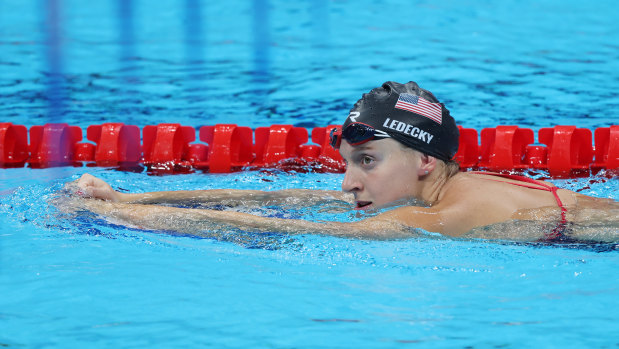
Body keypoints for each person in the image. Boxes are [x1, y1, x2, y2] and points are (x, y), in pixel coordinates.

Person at [60, 81, 619, 242]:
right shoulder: (439, 187)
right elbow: (285, 200)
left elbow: (282, 230)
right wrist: (131, 195)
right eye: (349, 161)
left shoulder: (439, 216)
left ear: (423, 160)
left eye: (368, 161)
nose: (349, 182)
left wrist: (138, 221)